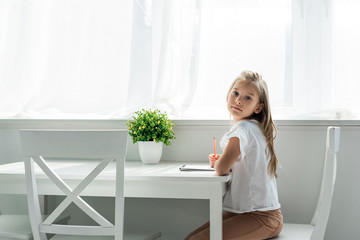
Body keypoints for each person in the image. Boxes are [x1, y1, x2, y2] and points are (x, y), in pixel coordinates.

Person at [185, 70, 283, 240]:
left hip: (262, 219)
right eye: (235, 93)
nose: (238, 100)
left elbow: (222, 169)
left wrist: (219, 163)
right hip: (254, 215)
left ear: (258, 107)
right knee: (191, 238)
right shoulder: (253, 128)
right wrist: (224, 161)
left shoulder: (242, 129)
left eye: (247, 98)